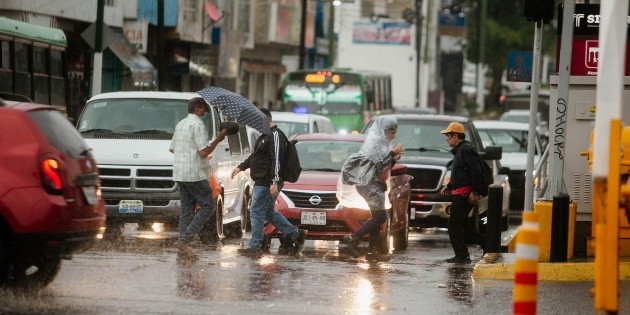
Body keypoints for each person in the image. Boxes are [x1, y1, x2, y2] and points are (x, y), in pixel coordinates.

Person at [230, 108, 306, 257]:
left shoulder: (276, 135)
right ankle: (295, 234)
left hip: (267, 182)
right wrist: (240, 167)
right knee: (268, 213)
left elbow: (277, 160)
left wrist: (274, 182)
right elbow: (255, 156)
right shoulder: (265, 136)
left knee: (256, 211)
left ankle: (255, 245)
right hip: (262, 180)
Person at [170, 97, 227, 263]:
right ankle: (185, 239)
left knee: (187, 209)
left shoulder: (180, 124)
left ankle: (183, 246)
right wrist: (218, 139)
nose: (205, 114)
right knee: (208, 205)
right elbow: (203, 152)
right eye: (204, 111)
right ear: (197, 109)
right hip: (195, 174)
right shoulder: (197, 125)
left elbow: (173, 148)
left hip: (180, 173)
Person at [338, 116, 403, 261]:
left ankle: (371, 252)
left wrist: (393, 158)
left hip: (373, 184)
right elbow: (379, 165)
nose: (394, 136)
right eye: (392, 132)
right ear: (385, 131)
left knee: (376, 218)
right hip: (369, 184)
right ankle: (354, 237)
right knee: (380, 217)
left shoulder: (382, 143)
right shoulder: (376, 143)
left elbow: (384, 168)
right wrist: (392, 153)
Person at [439, 122, 486, 264]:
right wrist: (449, 185)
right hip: (460, 192)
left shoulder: (466, 150)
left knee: (453, 225)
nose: (446, 139)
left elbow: (476, 171)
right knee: (464, 226)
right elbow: (461, 173)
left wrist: (475, 191)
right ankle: (488, 245)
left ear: (455, 136)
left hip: (464, 194)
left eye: (448, 136)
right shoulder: (460, 150)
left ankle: (462, 255)